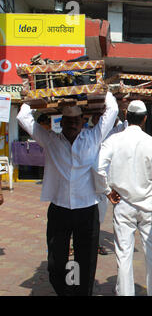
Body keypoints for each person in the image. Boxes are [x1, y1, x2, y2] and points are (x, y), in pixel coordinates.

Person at [17, 92, 118, 296]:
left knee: (86, 260)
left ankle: (81, 293)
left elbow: (113, 110)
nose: (72, 124)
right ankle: (64, 291)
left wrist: (102, 89)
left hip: (87, 209)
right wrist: (33, 98)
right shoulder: (50, 140)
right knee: (56, 261)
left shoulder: (94, 137)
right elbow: (22, 117)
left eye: (76, 120)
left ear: (83, 122)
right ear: (61, 122)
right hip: (59, 209)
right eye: (68, 121)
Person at [94, 100, 152, 296]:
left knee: (123, 254)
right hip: (149, 206)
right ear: (145, 119)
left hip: (123, 204)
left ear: (127, 117)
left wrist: (107, 190)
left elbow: (98, 168)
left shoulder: (113, 141)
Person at [91, 109, 129, 256]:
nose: (98, 119)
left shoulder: (114, 132)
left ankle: (95, 243)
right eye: (96, 117)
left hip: (106, 180)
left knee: (99, 214)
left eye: (101, 116)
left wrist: (125, 115)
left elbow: (125, 127)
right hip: (89, 179)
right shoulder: (89, 133)